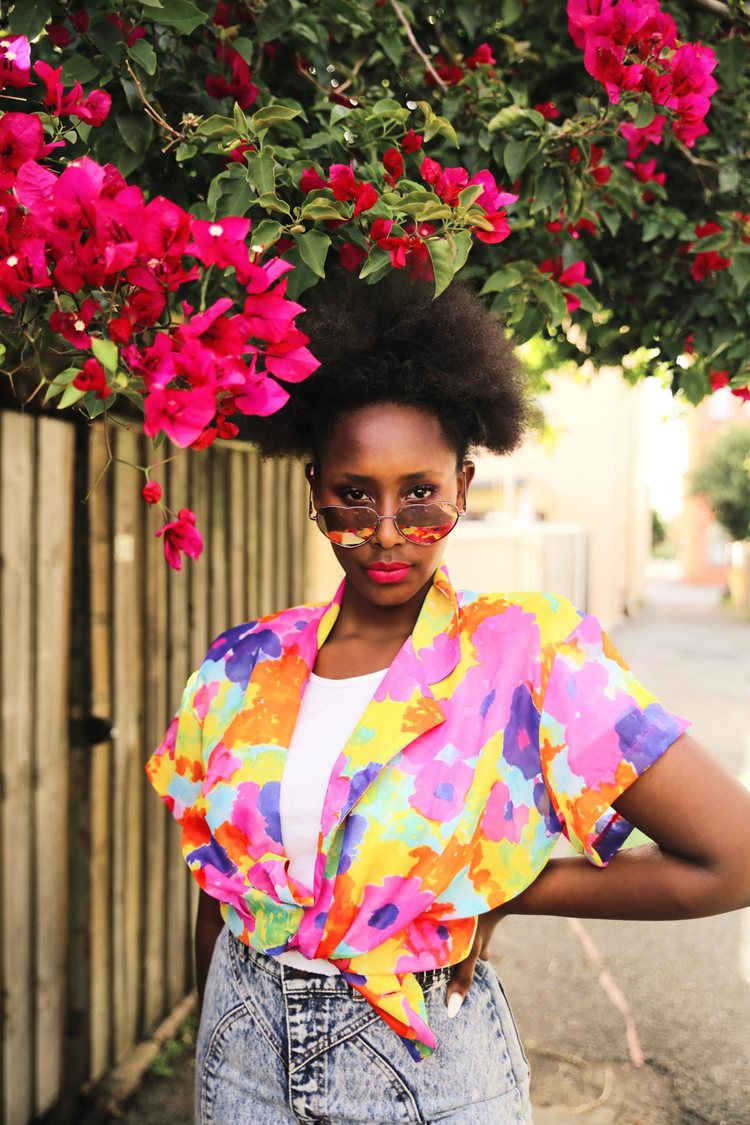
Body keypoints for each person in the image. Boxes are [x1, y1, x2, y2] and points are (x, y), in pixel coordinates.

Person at [146, 276, 750, 1125]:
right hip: (240, 1060)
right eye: (355, 493)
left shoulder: (527, 657)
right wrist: (218, 1036)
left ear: (463, 487)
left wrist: (498, 891)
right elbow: (218, 894)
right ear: (315, 486)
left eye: (419, 494)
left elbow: (735, 858)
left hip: (423, 1075)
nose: (388, 529)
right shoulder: (239, 668)